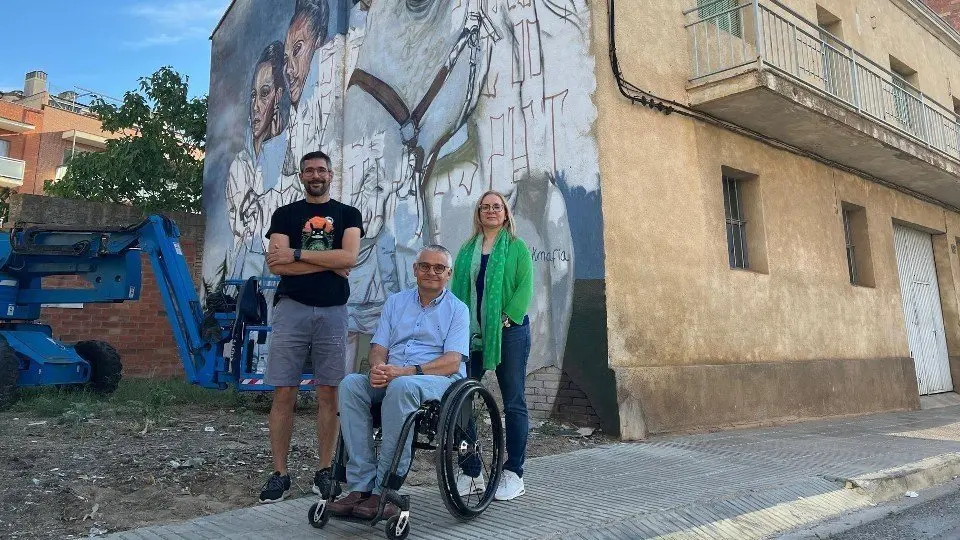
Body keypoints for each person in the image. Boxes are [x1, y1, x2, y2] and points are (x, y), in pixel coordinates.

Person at [328, 245, 470, 519]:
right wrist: (378, 367)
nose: (431, 272)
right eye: (425, 266)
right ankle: (360, 486)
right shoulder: (396, 302)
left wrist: (406, 372)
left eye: (439, 268)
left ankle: (386, 488)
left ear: (448, 274)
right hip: (395, 375)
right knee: (350, 385)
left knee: (401, 386)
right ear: (415, 270)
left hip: (436, 380)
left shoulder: (457, 310)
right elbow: (379, 346)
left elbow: (452, 361)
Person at [258, 150, 364, 503]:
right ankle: (280, 473)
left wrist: (300, 255)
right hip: (292, 310)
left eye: (321, 169)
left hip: (333, 311)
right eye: (309, 170)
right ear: (301, 176)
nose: (315, 175)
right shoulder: (284, 215)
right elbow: (277, 265)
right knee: (283, 392)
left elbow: (349, 257)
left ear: (331, 175)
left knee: (328, 393)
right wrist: (329, 263)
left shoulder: (348, 215)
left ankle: (323, 470)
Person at [451, 190, 533, 501]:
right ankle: (472, 471)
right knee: (461, 397)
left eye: (496, 206)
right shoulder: (467, 249)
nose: (491, 211)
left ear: (505, 212)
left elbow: (526, 285)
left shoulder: (516, 246)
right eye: (485, 207)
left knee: (513, 401)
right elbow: (458, 288)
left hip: (508, 331)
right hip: (471, 335)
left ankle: (514, 473)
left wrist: (509, 316)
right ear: (478, 213)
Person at [224, 40, 290, 282]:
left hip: (281, 285)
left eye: (264, 94)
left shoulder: (291, 160)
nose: (255, 106)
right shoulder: (239, 167)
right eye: (253, 96)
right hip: (245, 284)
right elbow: (242, 232)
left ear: (278, 95)